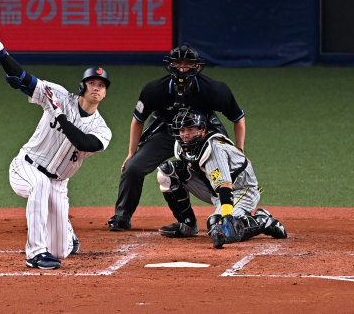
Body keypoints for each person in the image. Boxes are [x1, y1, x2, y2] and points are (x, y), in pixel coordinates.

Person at [0, 33, 112, 270]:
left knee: (62, 250)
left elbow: (83, 143)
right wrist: (1, 52)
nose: (96, 88)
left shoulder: (102, 129)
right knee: (39, 183)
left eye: (101, 86)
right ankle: (36, 253)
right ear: (83, 86)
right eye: (92, 83)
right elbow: (23, 78)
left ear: (104, 93)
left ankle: (65, 233)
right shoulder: (58, 95)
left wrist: (59, 115)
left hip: (59, 185)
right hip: (26, 167)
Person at [108, 43, 246, 235]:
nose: (182, 68)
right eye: (177, 63)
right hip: (167, 133)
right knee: (133, 168)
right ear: (170, 65)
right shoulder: (155, 89)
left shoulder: (214, 90)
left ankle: (233, 212)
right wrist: (131, 153)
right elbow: (137, 121)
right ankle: (122, 216)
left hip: (202, 133)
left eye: (187, 63)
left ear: (197, 66)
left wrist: (239, 151)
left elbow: (238, 119)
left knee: (225, 171)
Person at [157, 108, 287, 248]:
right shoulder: (183, 146)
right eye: (182, 131)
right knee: (166, 173)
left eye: (190, 130)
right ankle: (187, 224)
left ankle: (262, 220)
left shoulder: (214, 149)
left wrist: (226, 216)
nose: (185, 135)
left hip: (241, 191)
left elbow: (225, 186)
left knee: (219, 227)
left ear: (202, 130)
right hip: (213, 189)